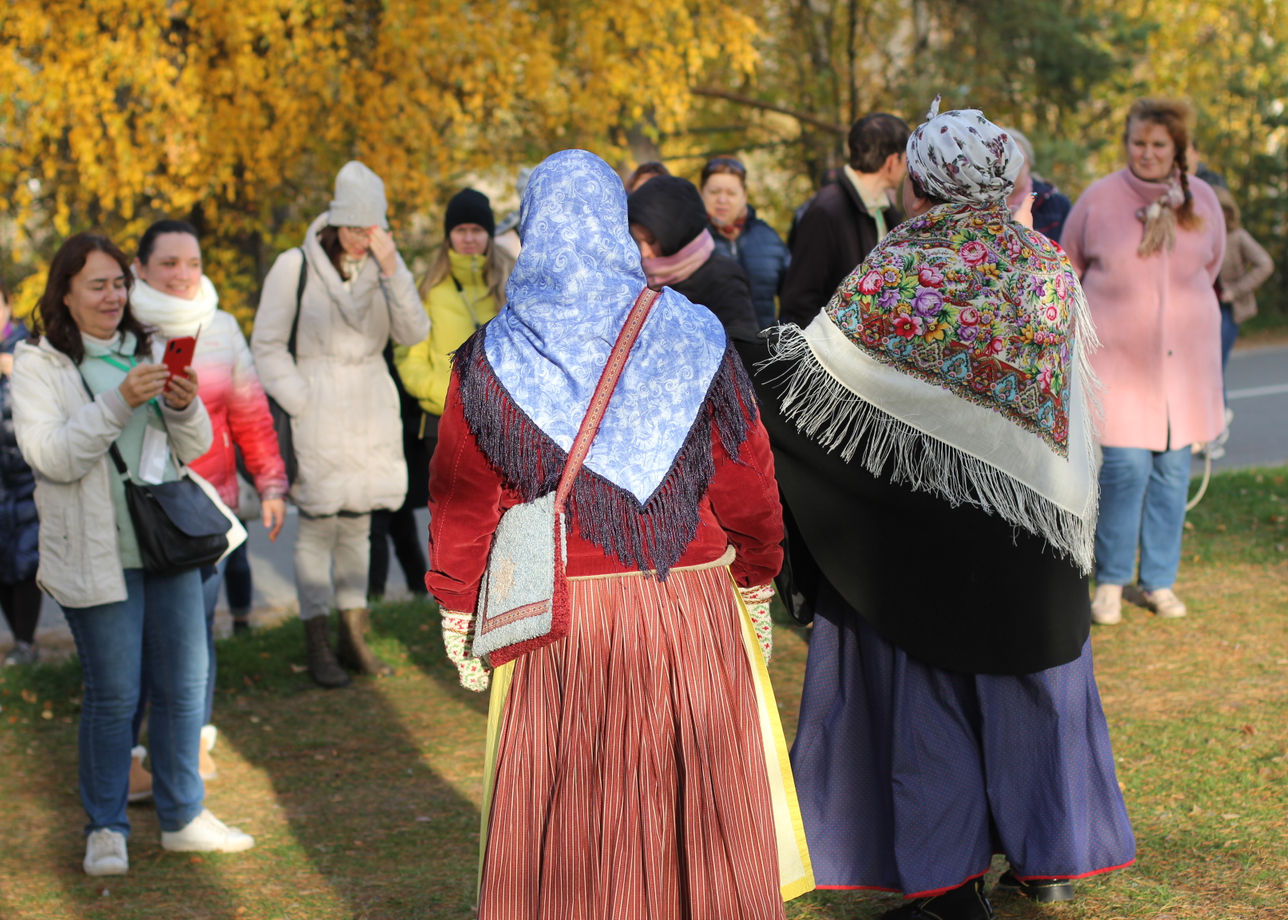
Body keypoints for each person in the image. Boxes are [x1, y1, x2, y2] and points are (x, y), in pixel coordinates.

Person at [753, 102, 1135, 919]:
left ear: (920, 183)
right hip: (1033, 534)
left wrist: (736, 354)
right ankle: (1045, 860)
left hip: (919, 548)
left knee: (929, 717)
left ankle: (948, 885)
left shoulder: (895, 269)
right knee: (1030, 699)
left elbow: (813, 387)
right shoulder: (1045, 268)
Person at [425, 149, 813, 919]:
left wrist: (459, 606)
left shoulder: (493, 354)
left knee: (572, 823)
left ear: (533, 231)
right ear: (617, 227)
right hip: (688, 607)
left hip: (562, 623)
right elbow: (747, 479)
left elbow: (464, 500)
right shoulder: (692, 334)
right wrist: (758, 577)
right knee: (692, 812)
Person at [11, 233, 254, 877]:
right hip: (98, 552)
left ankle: (182, 817)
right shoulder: (41, 363)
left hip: (168, 541)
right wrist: (120, 401)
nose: (114, 295)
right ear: (64, 292)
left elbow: (191, 444)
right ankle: (106, 828)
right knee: (114, 694)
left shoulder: (145, 346)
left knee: (183, 686)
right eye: (98, 284)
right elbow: (54, 456)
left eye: (119, 282)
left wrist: (181, 403)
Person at [251, 161, 429, 687]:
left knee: (359, 526)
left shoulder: (383, 266)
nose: (360, 240)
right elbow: (266, 344)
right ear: (334, 223)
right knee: (319, 528)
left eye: (370, 230)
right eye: (353, 229)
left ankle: (355, 639)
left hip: (371, 405)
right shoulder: (294, 265)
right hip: (321, 403)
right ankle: (318, 644)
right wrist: (300, 398)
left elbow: (414, 330)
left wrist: (393, 269)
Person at [129, 218, 288, 785]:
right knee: (141, 643)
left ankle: (193, 743)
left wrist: (269, 481)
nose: (181, 274)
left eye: (191, 263)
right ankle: (133, 759)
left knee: (195, 636)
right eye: (168, 263)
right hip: (139, 514)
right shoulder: (122, 326)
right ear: (141, 268)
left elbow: (248, 408)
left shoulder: (219, 327)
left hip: (208, 512)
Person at [1061, 97, 1226, 624]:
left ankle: (1157, 580)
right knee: (1127, 469)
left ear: (1176, 148)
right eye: (1139, 143)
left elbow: (1214, 262)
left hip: (1183, 370)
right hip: (1120, 366)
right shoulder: (1099, 199)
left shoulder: (1201, 201)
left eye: (1159, 145)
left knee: (1173, 471)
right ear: (1127, 143)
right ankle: (1110, 581)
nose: (1147, 153)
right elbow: (1069, 264)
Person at [394, 188, 514, 461]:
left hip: (499, 422)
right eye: (461, 230)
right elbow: (409, 356)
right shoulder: (428, 288)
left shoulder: (511, 283)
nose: (469, 238)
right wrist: (442, 392)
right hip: (441, 421)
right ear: (449, 234)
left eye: (476, 229)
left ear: (489, 234)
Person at [779, 113, 910, 326]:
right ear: (891, 161)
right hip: (833, 354)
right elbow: (798, 301)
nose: (906, 166)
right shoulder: (827, 210)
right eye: (905, 158)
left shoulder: (884, 211)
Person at [627, 174, 760, 346]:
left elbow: (743, 351)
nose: (644, 253)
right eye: (638, 240)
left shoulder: (724, 279)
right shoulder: (642, 277)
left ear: (676, 234)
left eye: (651, 241)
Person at [1, 281, 41, 667]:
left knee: (27, 560)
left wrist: (18, 373)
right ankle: (19, 639)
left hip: (25, 477)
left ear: (8, 305)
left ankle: (26, 642)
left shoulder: (28, 349)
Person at [700, 156, 790, 329]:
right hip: (710, 351)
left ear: (744, 195)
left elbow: (795, 296)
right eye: (714, 192)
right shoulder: (690, 240)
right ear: (702, 193)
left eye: (731, 193)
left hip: (763, 350)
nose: (722, 200)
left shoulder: (769, 238)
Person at [1213, 186, 1273, 408]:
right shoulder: (1198, 236)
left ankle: (1220, 417)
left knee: (1214, 365)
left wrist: (1236, 290)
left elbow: (1265, 264)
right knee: (1202, 366)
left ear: (1228, 212)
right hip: (1201, 310)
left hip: (1227, 310)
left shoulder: (1237, 237)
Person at [1003, 127, 1073, 242]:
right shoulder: (978, 205)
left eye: (1018, 160)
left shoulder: (1056, 204)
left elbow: (1068, 253)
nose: (1012, 167)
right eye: (1005, 160)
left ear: (1029, 163)